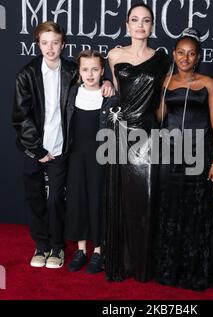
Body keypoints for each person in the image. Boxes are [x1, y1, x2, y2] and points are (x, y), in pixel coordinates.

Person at [12, 21, 114, 269]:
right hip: (34, 148)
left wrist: (108, 81)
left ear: (63, 44)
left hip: (60, 148)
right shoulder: (27, 74)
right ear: (38, 44)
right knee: (35, 197)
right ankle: (42, 245)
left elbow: (93, 79)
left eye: (55, 42)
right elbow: (20, 116)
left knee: (56, 198)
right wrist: (37, 149)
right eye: (45, 43)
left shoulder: (72, 72)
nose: (50, 48)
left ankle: (57, 247)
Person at [105, 2, 170, 282]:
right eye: (135, 19)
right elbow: (118, 92)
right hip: (120, 132)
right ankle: (123, 262)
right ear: (127, 24)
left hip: (148, 134)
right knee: (120, 198)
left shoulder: (163, 61)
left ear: (152, 26)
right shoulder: (114, 55)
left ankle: (143, 264)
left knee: (145, 199)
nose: (140, 25)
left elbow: (162, 104)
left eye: (146, 20)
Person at [155, 28, 213, 290]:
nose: (185, 57)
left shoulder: (207, 83)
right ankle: (169, 268)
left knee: (196, 213)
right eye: (181, 52)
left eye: (190, 54)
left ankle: (194, 270)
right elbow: (159, 118)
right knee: (171, 210)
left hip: (199, 155)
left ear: (198, 57)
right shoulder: (166, 82)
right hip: (169, 155)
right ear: (174, 55)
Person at [64, 50, 115, 273]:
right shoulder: (73, 92)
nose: (90, 74)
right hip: (76, 156)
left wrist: (110, 83)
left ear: (102, 71)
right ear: (79, 71)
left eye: (95, 69)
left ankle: (98, 251)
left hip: (100, 157)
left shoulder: (109, 95)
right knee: (78, 201)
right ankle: (81, 249)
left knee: (97, 201)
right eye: (85, 69)